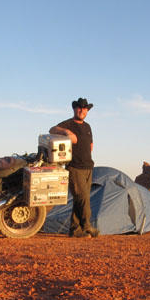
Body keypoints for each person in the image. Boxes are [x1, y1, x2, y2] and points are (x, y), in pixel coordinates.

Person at [50, 98, 100, 238]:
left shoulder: (88, 126)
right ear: (74, 109)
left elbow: (90, 144)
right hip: (75, 168)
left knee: (80, 199)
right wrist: (67, 132)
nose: (82, 110)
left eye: (84, 109)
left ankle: (75, 230)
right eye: (79, 108)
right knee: (83, 198)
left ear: (87, 111)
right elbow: (52, 129)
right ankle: (87, 226)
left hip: (88, 167)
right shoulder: (68, 124)